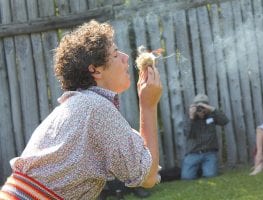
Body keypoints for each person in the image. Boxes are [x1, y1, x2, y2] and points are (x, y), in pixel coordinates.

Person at [0, 19, 162, 199]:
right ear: (96, 70)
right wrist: (148, 105)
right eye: (116, 54)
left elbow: (146, 167)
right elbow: (147, 177)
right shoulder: (96, 108)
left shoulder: (82, 105)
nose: (125, 57)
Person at [181, 94, 229, 180]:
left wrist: (213, 109)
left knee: (210, 176)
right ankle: (200, 169)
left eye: (203, 106)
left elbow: (224, 121)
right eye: (199, 106)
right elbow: (188, 134)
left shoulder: (212, 116)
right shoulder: (189, 117)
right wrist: (191, 117)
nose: (201, 109)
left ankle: (205, 169)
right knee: (187, 177)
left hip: (209, 153)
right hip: (193, 153)